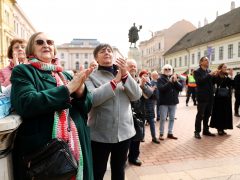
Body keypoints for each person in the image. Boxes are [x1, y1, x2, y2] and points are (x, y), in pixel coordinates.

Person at [10, 32, 94, 180]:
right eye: (40, 42)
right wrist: (67, 89)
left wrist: (80, 92)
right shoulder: (23, 71)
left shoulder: (66, 75)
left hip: (78, 147)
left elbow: (86, 107)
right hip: (45, 153)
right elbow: (25, 103)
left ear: (54, 49)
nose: (46, 45)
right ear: (31, 49)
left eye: (49, 42)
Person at [85, 44, 142, 180]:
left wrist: (126, 75)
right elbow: (92, 99)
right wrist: (114, 82)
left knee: (119, 170)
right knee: (98, 171)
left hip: (124, 133)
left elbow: (136, 95)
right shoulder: (91, 77)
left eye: (110, 50)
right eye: (102, 51)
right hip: (100, 134)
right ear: (96, 58)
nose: (107, 52)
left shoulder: (124, 74)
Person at [126, 59, 144, 166]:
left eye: (134, 66)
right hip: (126, 113)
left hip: (138, 113)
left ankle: (134, 157)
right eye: (131, 66)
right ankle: (123, 158)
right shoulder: (122, 79)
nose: (133, 68)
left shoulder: (139, 80)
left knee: (137, 138)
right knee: (126, 139)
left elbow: (148, 95)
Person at [157, 64, 182, 140]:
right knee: (163, 118)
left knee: (171, 118)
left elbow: (180, 88)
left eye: (169, 69)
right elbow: (161, 89)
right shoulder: (160, 79)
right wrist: (170, 82)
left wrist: (176, 82)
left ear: (171, 70)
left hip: (173, 102)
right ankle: (161, 133)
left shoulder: (174, 78)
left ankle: (170, 133)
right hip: (164, 102)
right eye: (166, 69)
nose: (167, 70)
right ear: (163, 70)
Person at [193, 56, 216, 139]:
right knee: (200, 115)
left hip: (210, 96)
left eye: (208, 60)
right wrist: (209, 75)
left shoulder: (209, 71)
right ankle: (197, 132)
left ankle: (206, 130)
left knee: (208, 114)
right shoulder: (196, 71)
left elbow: (212, 83)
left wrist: (215, 76)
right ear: (201, 62)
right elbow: (199, 82)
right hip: (202, 96)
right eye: (206, 60)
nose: (207, 61)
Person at [210, 63, 233, 135]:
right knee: (219, 112)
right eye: (224, 67)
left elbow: (232, 84)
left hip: (226, 97)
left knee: (225, 112)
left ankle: (223, 128)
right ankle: (219, 128)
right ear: (220, 68)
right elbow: (213, 82)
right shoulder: (217, 75)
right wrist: (216, 73)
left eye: (226, 67)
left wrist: (231, 76)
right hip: (218, 97)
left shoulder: (227, 75)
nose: (225, 68)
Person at [139, 69, 160, 144]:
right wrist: (151, 89)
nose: (146, 76)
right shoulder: (140, 83)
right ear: (141, 76)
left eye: (147, 75)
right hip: (143, 105)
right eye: (144, 75)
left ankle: (154, 137)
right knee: (143, 122)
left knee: (151, 122)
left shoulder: (149, 83)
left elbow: (153, 95)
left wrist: (151, 90)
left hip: (150, 105)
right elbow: (147, 94)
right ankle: (142, 137)